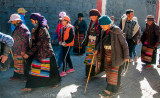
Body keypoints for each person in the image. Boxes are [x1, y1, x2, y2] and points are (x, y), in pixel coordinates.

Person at [21, 13, 61, 92]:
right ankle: (29, 86)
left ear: (36, 20)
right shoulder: (37, 28)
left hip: (46, 53)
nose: (32, 22)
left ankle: (55, 82)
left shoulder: (42, 29)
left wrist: (28, 53)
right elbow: (35, 41)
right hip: (40, 53)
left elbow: (38, 44)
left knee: (52, 70)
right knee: (34, 71)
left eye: (32, 20)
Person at [98, 15, 129, 97]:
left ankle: (110, 91)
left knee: (114, 73)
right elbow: (100, 42)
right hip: (107, 56)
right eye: (101, 26)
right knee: (110, 73)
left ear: (108, 24)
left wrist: (126, 56)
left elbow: (124, 44)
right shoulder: (103, 31)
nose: (102, 27)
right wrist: (97, 50)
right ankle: (116, 85)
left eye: (103, 25)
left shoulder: (116, 30)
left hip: (117, 56)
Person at [8, 14, 31, 81]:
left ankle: (27, 77)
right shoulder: (18, 28)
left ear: (17, 21)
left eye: (12, 21)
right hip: (17, 49)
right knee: (17, 63)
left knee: (24, 64)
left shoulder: (22, 28)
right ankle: (17, 75)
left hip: (21, 50)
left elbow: (25, 40)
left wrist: (23, 50)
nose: (12, 23)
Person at [82, 9, 102, 78]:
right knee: (88, 59)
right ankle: (88, 74)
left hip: (96, 44)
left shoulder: (100, 23)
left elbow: (100, 36)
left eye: (94, 16)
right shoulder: (91, 23)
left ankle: (93, 73)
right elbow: (88, 33)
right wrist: (85, 41)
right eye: (91, 16)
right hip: (90, 43)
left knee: (95, 59)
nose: (92, 18)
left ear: (97, 16)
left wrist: (97, 47)